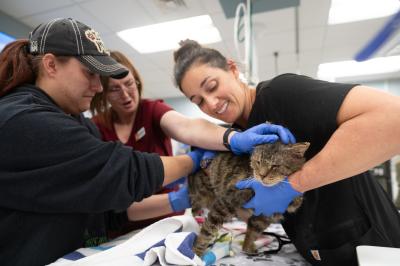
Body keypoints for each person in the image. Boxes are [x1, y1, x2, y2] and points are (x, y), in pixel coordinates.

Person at [0, 19, 293, 266]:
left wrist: (228, 139)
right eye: (90, 73)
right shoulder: (21, 119)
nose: (97, 87)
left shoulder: (83, 124)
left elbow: (110, 209)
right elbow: (125, 171)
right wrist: (194, 161)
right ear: (51, 64)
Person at [173, 39, 400, 266]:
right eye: (198, 101)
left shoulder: (281, 94)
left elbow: (394, 117)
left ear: (232, 69)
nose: (211, 104)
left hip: (370, 247)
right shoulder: (239, 133)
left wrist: (292, 185)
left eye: (212, 86)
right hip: (322, 250)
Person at [90, 50, 296, 235]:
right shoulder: (95, 128)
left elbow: (186, 127)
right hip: (119, 229)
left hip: (168, 224)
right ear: (102, 92)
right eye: (114, 89)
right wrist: (186, 190)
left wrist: (231, 138)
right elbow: (109, 195)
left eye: (129, 84)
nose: (126, 94)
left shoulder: (151, 110)